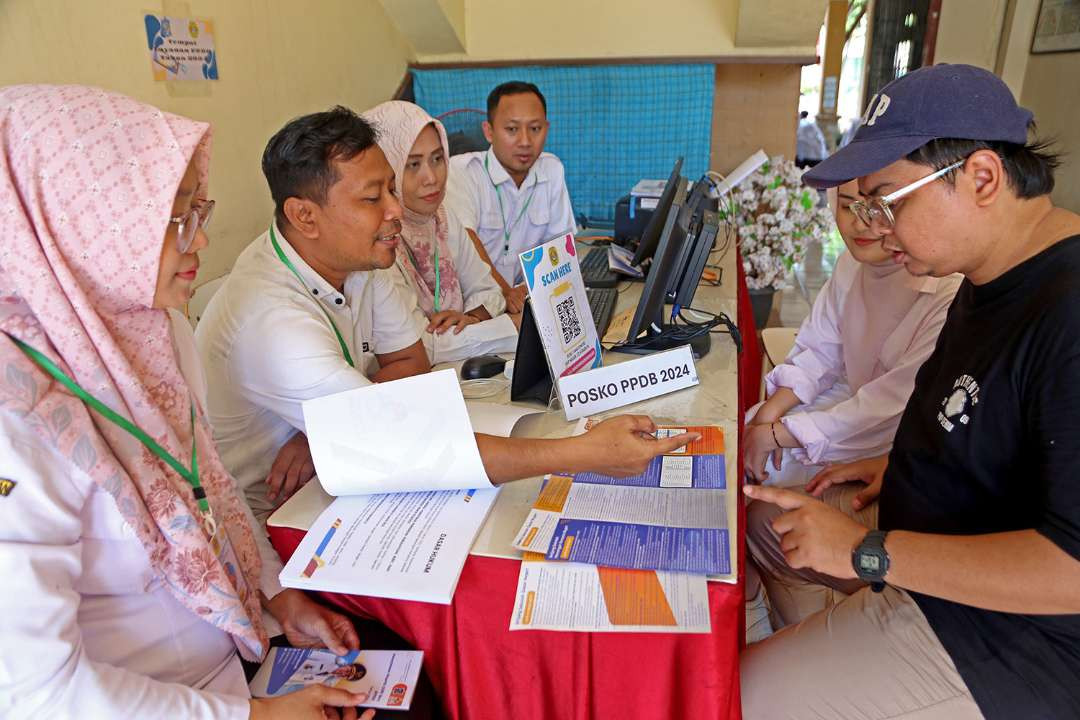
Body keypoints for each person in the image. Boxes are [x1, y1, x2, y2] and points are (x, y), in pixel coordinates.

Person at [0, 84, 373, 720]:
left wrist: (274, 595)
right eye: (174, 218)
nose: (200, 242)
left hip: (229, 670)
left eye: (198, 209)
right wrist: (253, 718)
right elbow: (38, 694)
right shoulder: (19, 418)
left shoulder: (152, 330)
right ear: (75, 224)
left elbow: (207, 489)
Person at [740, 64, 1080, 720]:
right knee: (761, 528)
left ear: (982, 177)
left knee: (735, 697)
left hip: (1006, 642)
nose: (877, 226)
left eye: (889, 200)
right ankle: (833, 654)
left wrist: (868, 552)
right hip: (925, 561)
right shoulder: (986, 270)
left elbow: (1069, 570)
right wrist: (900, 464)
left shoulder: (1065, 313)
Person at [195, 105, 696, 526]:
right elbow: (407, 438)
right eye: (374, 198)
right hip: (270, 519)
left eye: (392, 188)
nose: (396, 209)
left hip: (334, 470)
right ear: (304, 215)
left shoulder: (362, 254)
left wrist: (327, 424)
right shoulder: (272, 318)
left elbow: (411, 361)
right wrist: (585, 454)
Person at [743, 179, 961, 489]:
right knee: (748, 427)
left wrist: (781, 434)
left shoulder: (947, 289)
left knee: (769, 466)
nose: (860, 223)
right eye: (847, 206)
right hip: (853, 399)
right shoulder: (852, 262)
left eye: (878, 208)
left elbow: (888, 407)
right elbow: (820, 351)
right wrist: (769, 414)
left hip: (893, 433)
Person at [362, 100, 519, 364]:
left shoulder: (441, 218)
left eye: (437, 159)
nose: (432, 177)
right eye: (413, 165)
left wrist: (471, 318)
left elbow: (488, 289)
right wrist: (513, 329)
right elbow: (419, 345)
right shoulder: (378, 237)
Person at [443, 81, 576, 312]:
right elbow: (468, 242)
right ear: (489, 131)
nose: (525, 142)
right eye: (512, 129)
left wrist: (532, 291)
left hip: (526, 301)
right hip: (474, 306)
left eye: (535, 129)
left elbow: (560, 247)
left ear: (547, 128)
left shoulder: (552, 169)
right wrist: (507, 292)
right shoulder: (462, 172)